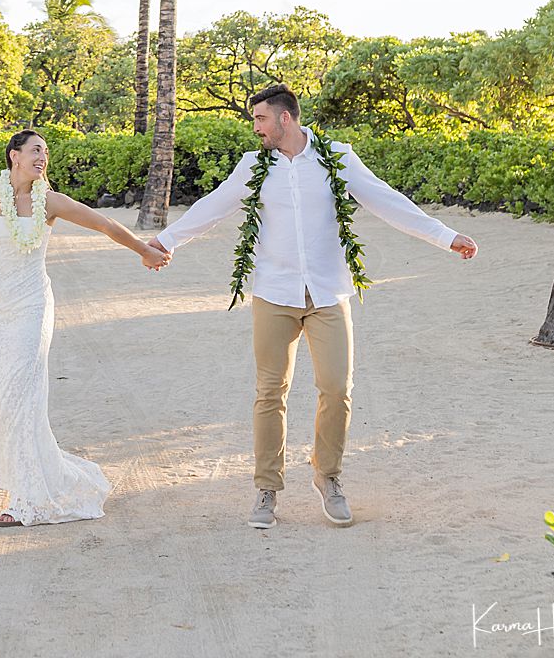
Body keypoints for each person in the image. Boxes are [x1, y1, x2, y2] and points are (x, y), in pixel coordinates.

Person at [149, 82, 478, 531]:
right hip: (273, 294)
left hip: (326, 293)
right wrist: (164, 242)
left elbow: (386, 200)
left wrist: (445, 236)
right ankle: (266, 489)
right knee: (270, 393)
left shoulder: (336, 157)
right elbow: (212, 208)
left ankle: (328, 477)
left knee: (337, 389)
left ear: (286, 118)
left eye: (260, 119)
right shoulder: (253, 165)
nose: (256, 128)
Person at [0, 127, 169, 526]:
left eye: (46, 152)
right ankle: (55, 474)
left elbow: (103, 223)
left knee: (21, 398)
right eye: (35, 150)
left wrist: (145, 251)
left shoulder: (50, 201)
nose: (42, 157)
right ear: (14, 156)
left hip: (33, 307)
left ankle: (24, 499)